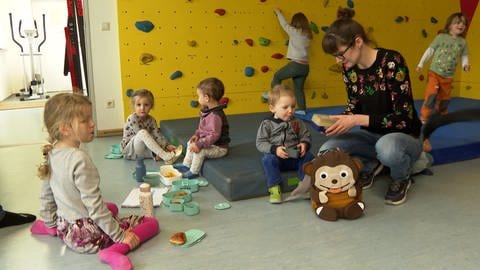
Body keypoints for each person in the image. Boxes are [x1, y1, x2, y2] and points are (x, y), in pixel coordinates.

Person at [30, 93, 159, 270]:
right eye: (85, 120)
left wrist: (50, 224)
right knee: (151, 223)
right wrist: (121, 236)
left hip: (66, 229)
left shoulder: (52, 153)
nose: (92, 123)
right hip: (87, 237)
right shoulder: (79, 159)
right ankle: (114, 251)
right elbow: (95, 206)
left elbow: (47, 194)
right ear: (65, 129)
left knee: (111, 207)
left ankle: (47, 227)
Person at [318, 7, 423, 205]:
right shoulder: (349, 71)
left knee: (388, 148)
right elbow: (354, 107)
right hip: (371, 136)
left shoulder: (392, 62)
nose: (338, 61)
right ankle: (374, 163)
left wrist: (355, 120)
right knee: (327, 150)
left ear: (358, 42)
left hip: (404, 136)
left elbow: (403, 119)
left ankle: (401, 177)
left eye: (340, 54)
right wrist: (338, 120)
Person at [256, 84, 315, 204]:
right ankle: (274, 188)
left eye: (293, 107)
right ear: (272, 108)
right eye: (285, 107)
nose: (290, 110)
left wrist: (304, 143)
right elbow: (260, 142)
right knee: (268, 160)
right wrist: (274, 149)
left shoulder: (297, 122)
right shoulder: (267, 124)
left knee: (309, 156)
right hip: (277, 156)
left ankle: (304, 184)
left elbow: (305, 135)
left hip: (293, 154)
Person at [416, 12, 470, 123]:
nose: (461, 25)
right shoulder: (441, 37)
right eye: (458, 23)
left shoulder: (463, 42)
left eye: (464, 24)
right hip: (434, 73)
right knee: (431, 95)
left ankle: (441, 113)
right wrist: (421, 64)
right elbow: (430, 50)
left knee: (445, 99)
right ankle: (424, 116)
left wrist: (465, 65)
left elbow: (464, 55)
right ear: (450, 25)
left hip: (448, 76)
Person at [173, 77, 230, 179]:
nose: (198, 99)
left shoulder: (215, 115)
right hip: (210, 143)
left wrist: (200, 144)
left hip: (219, 148)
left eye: (199, 96)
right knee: (190, 143)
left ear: (206, 98)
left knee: (200, 151)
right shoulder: (207, 110)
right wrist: (197, 135)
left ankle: (194, 172)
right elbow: (203, 127)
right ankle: (186, 165)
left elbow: (214, 135)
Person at [271, 8, 313, 116]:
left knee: (277, 77)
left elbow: (284, 24)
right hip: (305, 67)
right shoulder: (308, 35)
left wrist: (278, 13)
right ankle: (303, 110)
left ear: (295, 22)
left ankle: (275, 100)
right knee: (299, 89)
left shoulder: (295, 32)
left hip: (296, 65)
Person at [121, 89, 181, 164]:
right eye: (138, 105)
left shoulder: (152, 120)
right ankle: (164, 156)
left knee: (159, 140)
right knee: (142, 133)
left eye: (146, 105)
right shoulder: (132, 118)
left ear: (151, 106)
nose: (142, 108)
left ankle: (157, 154)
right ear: (134, 106)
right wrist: (161, 150)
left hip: (143, 150)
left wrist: (166, 145)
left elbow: (157, 135)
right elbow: (141, 135)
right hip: (131, 150)